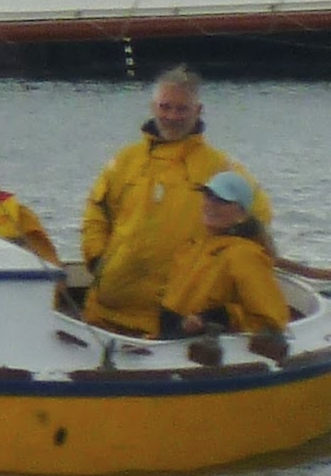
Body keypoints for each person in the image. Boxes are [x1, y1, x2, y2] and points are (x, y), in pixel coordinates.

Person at [80, 67, 268, 336]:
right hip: (105, 313)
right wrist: (98, 260)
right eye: (165, 107)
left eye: (182, 109)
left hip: (175, 324)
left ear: (198, 110)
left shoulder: (222, 169)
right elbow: (96, 213)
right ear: (153, 107)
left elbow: (257, 228)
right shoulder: (124, 161)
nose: (172, 117)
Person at [158, 175, 292, 352]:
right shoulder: (193, 246)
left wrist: (213, 319)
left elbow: (271, 320)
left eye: (222, 200)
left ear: (242, 214)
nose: (211, 204)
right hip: (169, 341)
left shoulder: (244, 255)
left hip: (202, 347)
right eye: (208, 195)